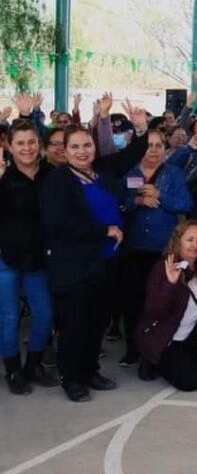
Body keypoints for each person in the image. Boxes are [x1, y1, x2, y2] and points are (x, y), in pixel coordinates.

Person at [41, 105, 149, 402]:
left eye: (86, 144)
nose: (82, 151)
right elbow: (59, 223)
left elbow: (130, 155)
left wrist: (141, 129)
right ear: (63, 151)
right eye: (74, 146)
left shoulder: (101, 170)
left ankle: (90, 370)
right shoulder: (58, 181)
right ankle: (71, 378)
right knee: (74, 324)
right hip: (73, 265)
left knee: (96, 321)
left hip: (106, 263)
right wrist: (104, 231)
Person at [119, 130, 194, 367]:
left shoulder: (173, 173)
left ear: (165, 147)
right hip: (134, 248)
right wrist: (137, 202)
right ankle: (133, 347)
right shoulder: (128, 172)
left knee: (161, 299)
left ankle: (159, 345)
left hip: (164, 249)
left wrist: (162, 197)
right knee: (133, 300)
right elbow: (118, 203)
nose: (153, 150)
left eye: (158, 145)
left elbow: (186, 203)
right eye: (149, 145)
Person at [0, 119, 58, 395]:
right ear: (9, 147)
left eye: (31, 141)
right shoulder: (3, 178)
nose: (27, 148)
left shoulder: (52, 174)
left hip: (39, 259)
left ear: (39, 144)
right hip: (6, 259)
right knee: (9, 317)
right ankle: (13, 369)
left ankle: (33, 365)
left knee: (44, 314)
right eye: (20, 143)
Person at [136, 221, 197, 391]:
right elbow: (154, 310)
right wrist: (170, 284)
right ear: (178, 241)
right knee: (191, 383)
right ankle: (152, 360)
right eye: (189, 240)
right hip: (166, 340)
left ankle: (190, 361)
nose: (195, 245)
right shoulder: (163, 268)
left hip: (187, 336)